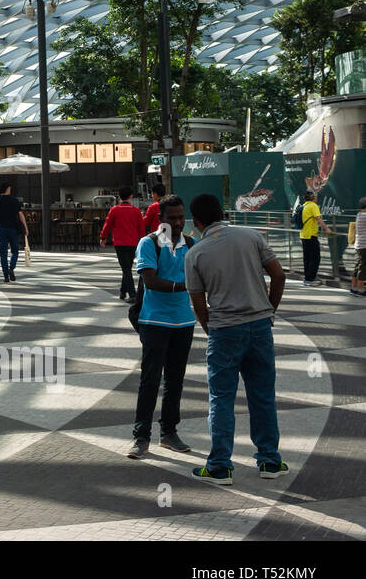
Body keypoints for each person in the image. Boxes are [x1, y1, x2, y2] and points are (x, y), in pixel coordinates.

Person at [183, 193, 288, 486]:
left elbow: (198, 302)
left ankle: (220, 466)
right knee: (263, 396)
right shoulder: (251, 237)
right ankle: (270, 460)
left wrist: (210, 328)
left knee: (221, 398)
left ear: (198, 221)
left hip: (224, 330)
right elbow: (278, 276)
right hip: (259, 327)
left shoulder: (195, 253)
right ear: (222, 213)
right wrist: (268, 312)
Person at [126, 195, 195, 460]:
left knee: (175, 380)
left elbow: (201, 277)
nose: (177, 223)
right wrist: (184, 286)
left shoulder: (191, 244)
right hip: (154, 320)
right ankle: (141, 436)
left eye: (181, 217)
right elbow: (151, 281)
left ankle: (169, 432)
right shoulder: (149, 243)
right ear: (160, 219)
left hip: (183, 321)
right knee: (150, 379)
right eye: (172, 218)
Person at [100, 186, 144, 300]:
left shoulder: (114, 210)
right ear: (131, 196)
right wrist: (143, 240)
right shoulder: (136, 210)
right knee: (127, 267)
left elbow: (107, 225)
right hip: (133, 242)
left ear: (119, 197)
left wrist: (103, 237)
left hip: (119, 242)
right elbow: (141, 228)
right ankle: (123, 292)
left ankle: (132, 294)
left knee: (126, 268)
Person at [0, 179, 28, 283]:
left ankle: (5, 276)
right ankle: (11, 268)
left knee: (3, 254)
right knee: (15, 251)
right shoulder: (14, 201)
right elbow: (21, 215)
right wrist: (26, 228)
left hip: (2, 229)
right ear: (7, 189)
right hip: (13, 229)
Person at [297, 190, 331, 286]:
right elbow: (318, 219)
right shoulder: (313, 206)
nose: (316, 198)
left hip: (304, 235)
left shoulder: (303, 206)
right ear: (313, 198)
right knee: (315, 257)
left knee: (307, 258)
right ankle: (310, 279)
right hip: (311, 235)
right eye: (315, 197)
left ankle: (308, 278)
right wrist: (327, 229)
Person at [352, 196, 366, 296]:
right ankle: (361, 290)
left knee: (358, 266)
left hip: (359, 244)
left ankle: (354, 288)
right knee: (363, 267)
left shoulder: (359, 214)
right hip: (364, 245)